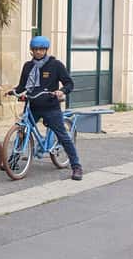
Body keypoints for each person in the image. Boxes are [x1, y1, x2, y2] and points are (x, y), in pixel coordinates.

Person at [10, 35, 82, 181]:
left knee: (62, 135)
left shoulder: (55, 65)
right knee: (22, 132)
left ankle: (76, 166)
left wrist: (61, 91)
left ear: (46, 50)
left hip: (50, 105)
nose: (38, 52)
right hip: (32, 105)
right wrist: (14, 91)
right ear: (31, 50)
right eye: (35, 49)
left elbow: (69, 83)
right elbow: (22, 85)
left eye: (41, 49)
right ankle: (13, 160)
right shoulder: (28, 66)